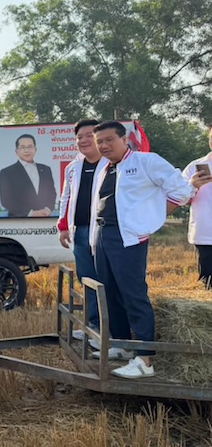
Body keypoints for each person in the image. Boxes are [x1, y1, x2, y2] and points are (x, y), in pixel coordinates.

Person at [89, 121, 192, 379]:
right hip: (104, 235)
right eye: (99, 141)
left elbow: (181, 191)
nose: (103, 145)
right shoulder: (106, 168)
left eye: (109, 140)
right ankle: (123, 345)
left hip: (129, 239)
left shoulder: (147, 162)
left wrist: (149, 222)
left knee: (133, 294)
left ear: (125, 140)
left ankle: (145, 359)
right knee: (111, 292)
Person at [57, 119, 109, 343]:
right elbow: (65, 198)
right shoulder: (73, 167)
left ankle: (110, 331)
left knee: (106, 281)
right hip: (80, 232)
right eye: (79, 137)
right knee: (87, 280)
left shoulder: (111, 165)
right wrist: (62, 226)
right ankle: (93, 328)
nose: (84, 140)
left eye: (89, 135)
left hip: (105, 232)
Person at [182, 124, 212, 289]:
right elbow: (179, 199)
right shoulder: (194, 167)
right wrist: (192, 185)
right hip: (206, 234)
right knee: (207, 285)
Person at [0, 134, 57, 217]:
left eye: (30, 146)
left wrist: (48, 209)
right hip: (18, 222)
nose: (27, 150)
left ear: (35, 149)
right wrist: (31, 213)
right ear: (16, 151)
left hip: (45, 221)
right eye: (22, 147)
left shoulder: (46, 169)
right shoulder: (7, 172)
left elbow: (52, 193)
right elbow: (6, 200)